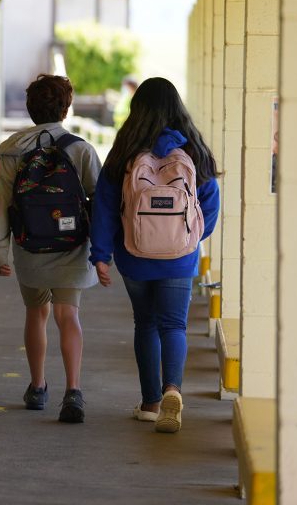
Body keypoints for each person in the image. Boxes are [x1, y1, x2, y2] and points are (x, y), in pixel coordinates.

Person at [89, 77, 220, 433]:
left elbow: (104, 205)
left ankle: (150, 403)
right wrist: (188, 238)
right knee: (174, 324)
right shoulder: (193, 150)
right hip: (179, 257)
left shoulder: (126, 150)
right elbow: (209, 204)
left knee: (145, 324)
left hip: (134, 255)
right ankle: (173, 391)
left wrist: (100, 254)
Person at [0, 74, 101, 423]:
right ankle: (73, 392)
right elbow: (100, 202)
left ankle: (37, 387)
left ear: (30, 108)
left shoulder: (12, 148)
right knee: (68, 315)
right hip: (71, 245)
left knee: (36, 313)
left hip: (29, 244)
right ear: (66, 108)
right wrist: (103, 253)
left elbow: (2, 203)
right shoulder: (80, 149)